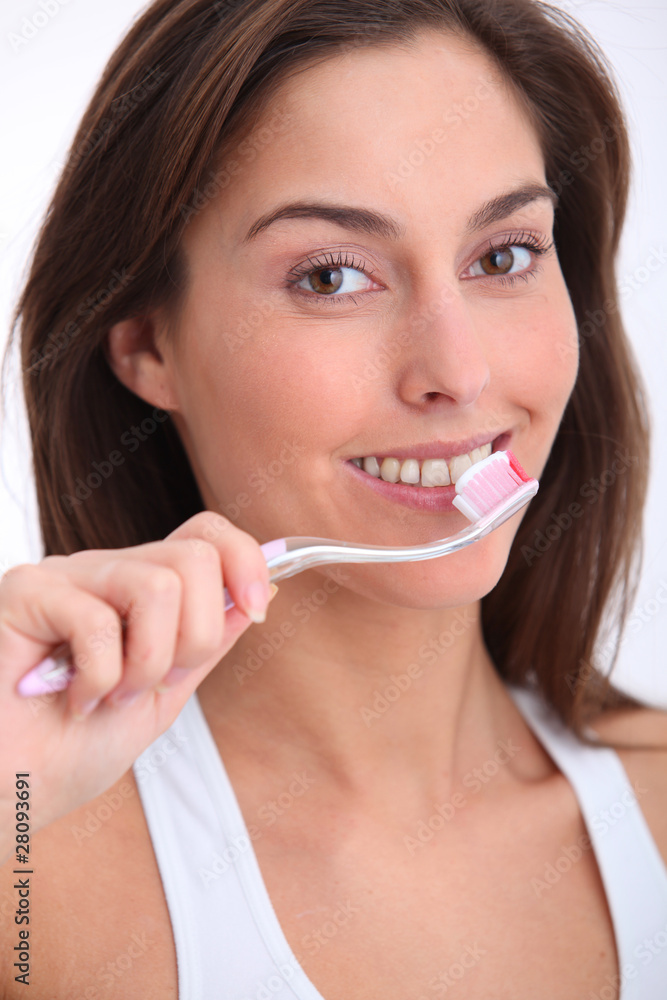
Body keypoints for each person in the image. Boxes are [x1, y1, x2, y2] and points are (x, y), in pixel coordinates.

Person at [1, 0, 666, 996]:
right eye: (330, 276)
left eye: (502, 256)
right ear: (147, 345)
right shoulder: (30, 883)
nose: (456, 370)